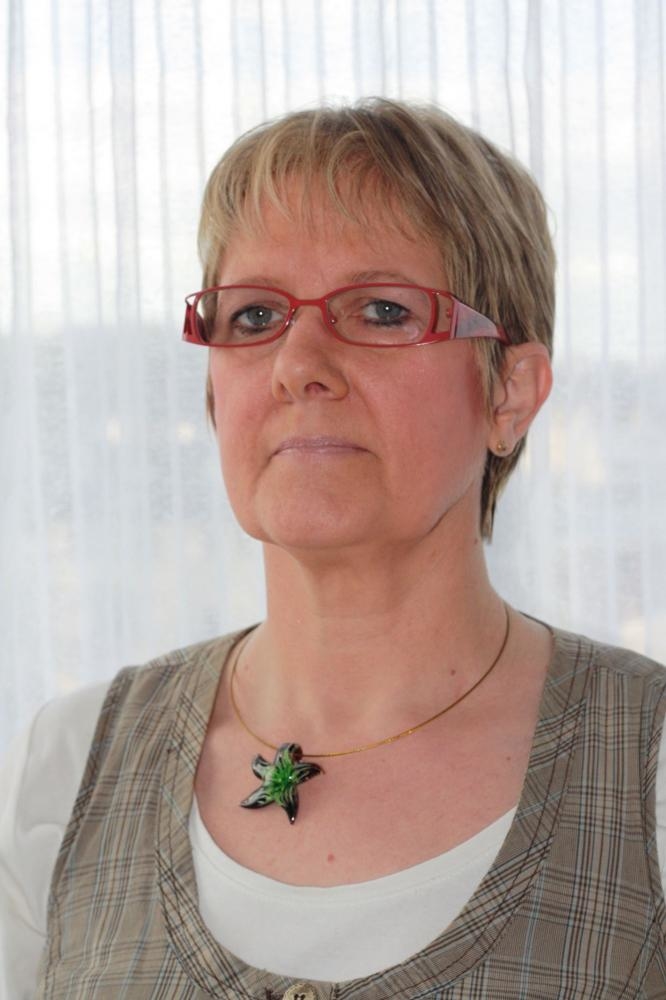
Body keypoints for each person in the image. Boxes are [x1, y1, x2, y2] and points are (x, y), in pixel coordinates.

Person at [1, 98, 665, 999]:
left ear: (509, 392)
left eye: (382, 310)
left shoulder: (648, 773)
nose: (297, 364)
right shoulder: (63, 776)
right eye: (253, 317)